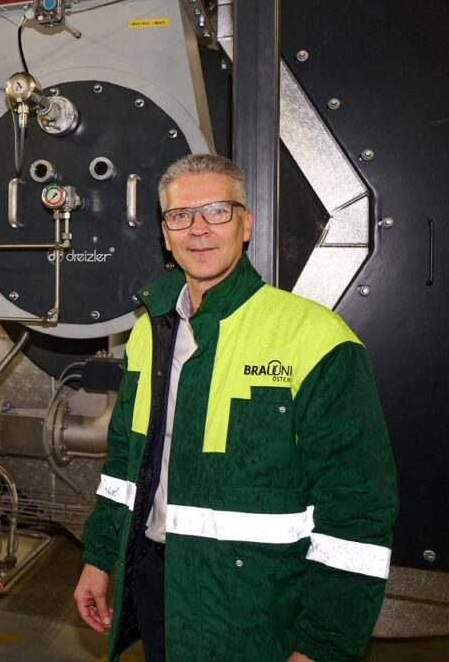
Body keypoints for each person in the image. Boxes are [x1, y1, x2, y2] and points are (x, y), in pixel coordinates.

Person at [73, 154, 397, 662]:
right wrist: (98, 557)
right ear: (165, 235)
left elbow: (356, 511)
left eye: (217, 211)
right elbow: (123, 467)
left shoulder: (316, 340)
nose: (198, 229)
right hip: (157, 581)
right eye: (181, 215)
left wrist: (323, 646)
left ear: (246, 225)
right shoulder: (147, 332)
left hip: (259, 605)